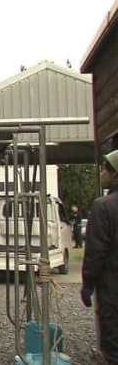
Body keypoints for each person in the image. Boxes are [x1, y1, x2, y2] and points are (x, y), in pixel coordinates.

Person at [81, 150, 118, 363]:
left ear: (115, 174)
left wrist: (88, 284)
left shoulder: (104, 206)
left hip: (112, 289)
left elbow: (96, 252)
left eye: (105, 169)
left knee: (113, 347)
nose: (101, 173)